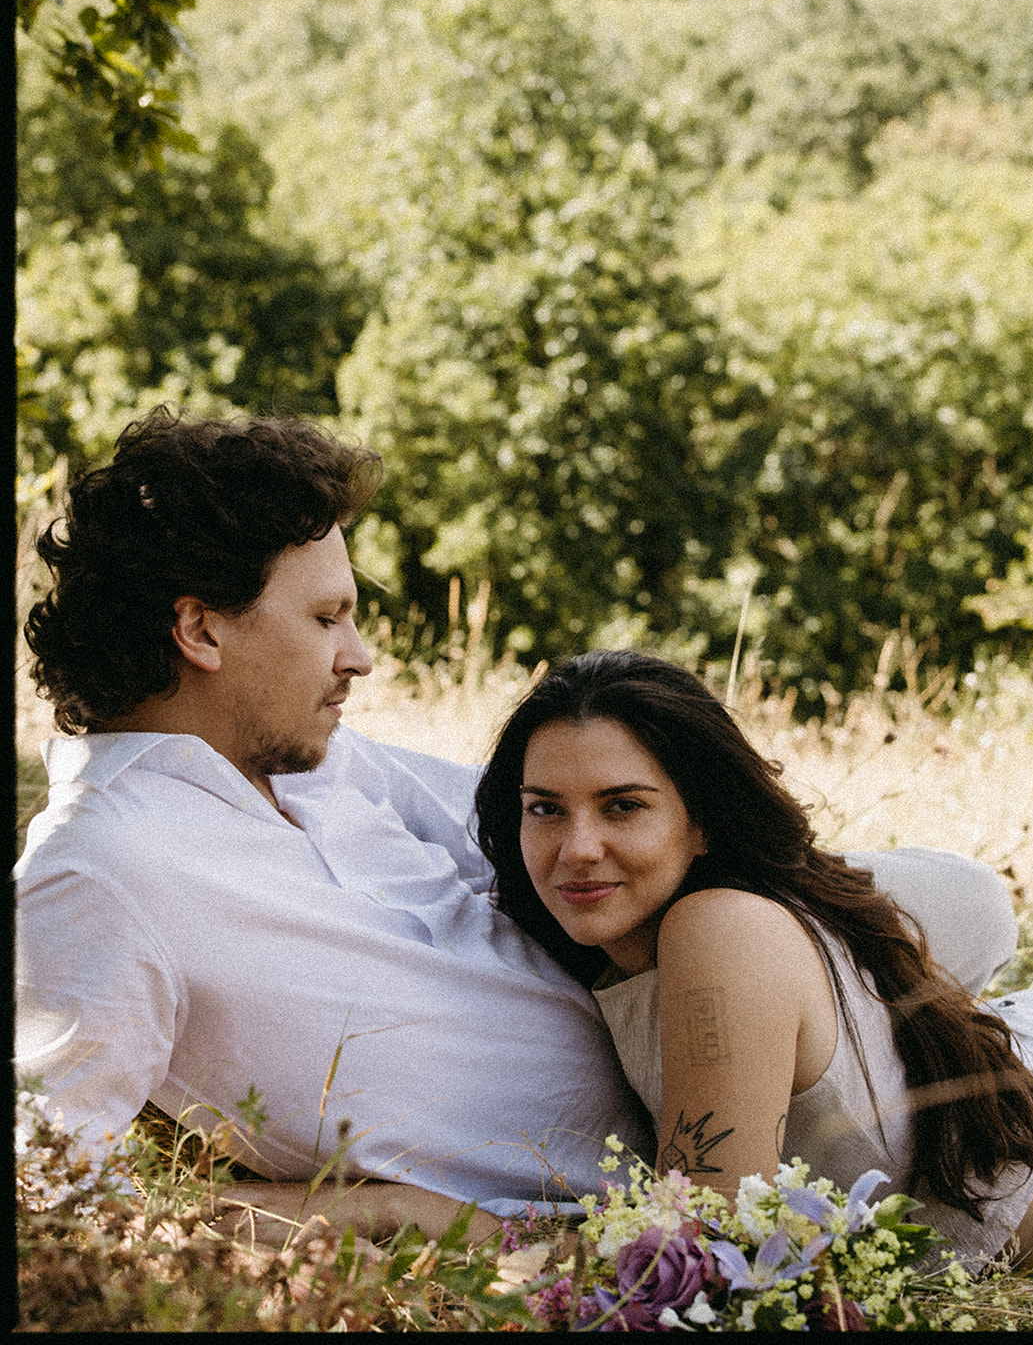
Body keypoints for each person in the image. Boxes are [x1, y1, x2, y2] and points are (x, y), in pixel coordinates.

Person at [15, 408, 654, 1248]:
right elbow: (48, 1204)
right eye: (326, 619)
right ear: (200, 630)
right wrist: (396, 1217)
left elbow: (590, 845)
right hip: (673, 1228)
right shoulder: (99, 874)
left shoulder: (327, 767)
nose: (360, 657)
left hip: (744, 1061)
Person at [473, 649, 1033, 1272]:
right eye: (545, 809)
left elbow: (697, 1252)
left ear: (703, 824)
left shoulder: (722, 929)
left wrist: (419, 1216)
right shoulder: (602, 957)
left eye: (624, 806)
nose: (578, 848)